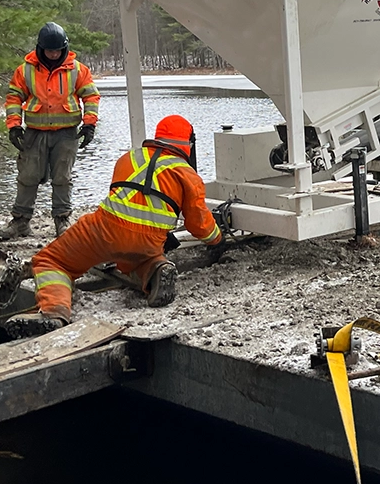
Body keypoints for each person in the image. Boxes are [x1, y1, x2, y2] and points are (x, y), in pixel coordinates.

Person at [15, 115, 224, 334]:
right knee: (137, 257)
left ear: (158, 137)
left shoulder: (129, 158)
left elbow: (119, 197)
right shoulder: (188, 175)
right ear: (187, 144)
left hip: (106, 230)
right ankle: (155, 268)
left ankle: (53, 311)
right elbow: (199, 224)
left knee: (51, 260)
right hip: (150, 241)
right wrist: (218, 239)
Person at [0, 22, 100, 239]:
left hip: (67, 132)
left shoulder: (77, 70)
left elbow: (91, 96)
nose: (53, 55)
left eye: (57, 50)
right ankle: (21, 221)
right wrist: (14, 126)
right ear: (40, 48)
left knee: (62, 176)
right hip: (35, 131)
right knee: (28, 175)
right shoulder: (25, 70)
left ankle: (62, 219)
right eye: (49, 50)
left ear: (64, 48)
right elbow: (14, 98)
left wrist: (90, 124)